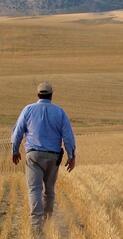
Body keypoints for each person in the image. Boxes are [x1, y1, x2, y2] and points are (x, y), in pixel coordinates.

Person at [11, 81, 76, 229]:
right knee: (49, 190)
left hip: (33, 155)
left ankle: (36, 225)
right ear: (52, 95)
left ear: (37, 94)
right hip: (53, 157)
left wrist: (15, 151)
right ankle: (48, 220)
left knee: (35, 189)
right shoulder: (60, 112)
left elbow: (17, 133)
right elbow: (68, 137)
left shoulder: (28, 110)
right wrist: (71, 156)